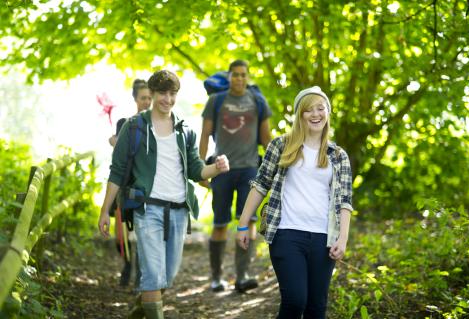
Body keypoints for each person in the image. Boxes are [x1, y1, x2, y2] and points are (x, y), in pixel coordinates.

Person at [98, 70, 230, 319]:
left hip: (179, 211)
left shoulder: (184, 130)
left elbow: (195, 170)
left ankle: (142, 307)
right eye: (162, 93)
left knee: (166, 276)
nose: (167, 99)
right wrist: (105, 210)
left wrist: (217, 168)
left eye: (172, 94)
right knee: (153, 276)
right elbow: (116, 172)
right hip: (147, 210)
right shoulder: (134, 127)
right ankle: (150, 307)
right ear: (153, 93)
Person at [237, 86, 353, 319]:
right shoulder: (281, 145)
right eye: (308, 110)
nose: (315, 114)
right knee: (295, 301)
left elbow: (345, 201)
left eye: (320, 109)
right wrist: (242, 224)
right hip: (286, 234)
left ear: (327, 113)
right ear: (300, 115)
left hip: (323, 238)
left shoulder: (338, 155)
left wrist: (343, 238)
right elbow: (260, 185)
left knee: (316, 308)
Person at [199, 59, 272, 292]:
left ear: (247, 77)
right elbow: (204, 135)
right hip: (221, 169)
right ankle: (216, 277)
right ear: (228, 77)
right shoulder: (216, 101)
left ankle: (242, 275)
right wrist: (200, 168)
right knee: (220, 223)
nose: (239, 78)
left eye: (243, 75)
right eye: (235, 75)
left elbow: (267, 139)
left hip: (250, 168)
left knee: (247, 222)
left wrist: (275, 170)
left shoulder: (258, 101)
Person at [109, 79, 152, 288]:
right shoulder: (123, 122)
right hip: (125, 183)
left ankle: (140, 274)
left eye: (149, 98)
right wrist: (116, 143)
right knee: (121, 234)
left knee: (145, 230)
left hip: (146, 185)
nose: (147, 102)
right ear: (135, 99)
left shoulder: (157, 123)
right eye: (143, 98)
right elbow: (119, 157)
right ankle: (127, 264)